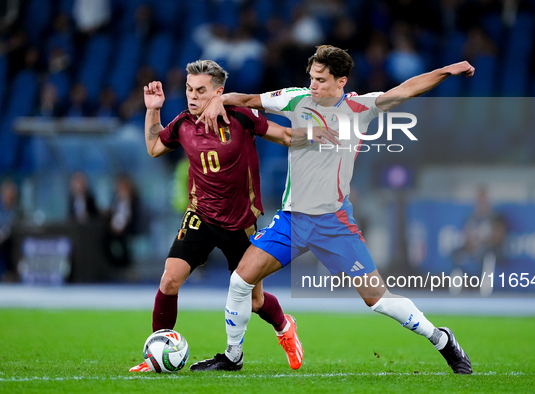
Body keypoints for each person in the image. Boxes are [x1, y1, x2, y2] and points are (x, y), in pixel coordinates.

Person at [191, 45, 475, 374]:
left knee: (378, 300)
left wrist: (446, 70)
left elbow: (406, 89)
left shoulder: (358, 107)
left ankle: (442, 339)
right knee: (240, 281)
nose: (313, 85)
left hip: (334, 223)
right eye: (311, 77)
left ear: (341, 82)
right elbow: (247, 99)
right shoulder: (296, 99)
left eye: (321, 80)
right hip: (292, 221)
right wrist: (217, 100)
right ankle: (232, 357)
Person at [129, 59, 318, 372]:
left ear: (219, 92)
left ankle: (284, 326)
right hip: (200, 215)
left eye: (200, 90)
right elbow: (153, 147)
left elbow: (285, 136)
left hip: (240, 223)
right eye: (189, 89)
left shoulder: (241, 118)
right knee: (169, 280)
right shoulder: (182, 123)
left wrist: (319, 133)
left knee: (255, 301)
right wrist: (153, 109)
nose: (192, 96)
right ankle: (156, 354)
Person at [451, 187, 506, 296]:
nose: (481, 203)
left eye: (483, 200)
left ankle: (483, 290)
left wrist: (482, 242)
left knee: (484, 254)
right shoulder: (472, 217)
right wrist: (471, 244)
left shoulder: (495, 217)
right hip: (473, 248)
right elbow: (466, 235)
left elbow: (498, 237)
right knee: (456, 253)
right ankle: (458, 289)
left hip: (489, 248)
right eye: (478, 201)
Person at [0, 179, 20, 282]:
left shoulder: (16, 212)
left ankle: (6, 273)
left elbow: (9, 228)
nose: (9, 198)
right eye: (7, 195)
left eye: (11, 195)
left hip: (8, 241)